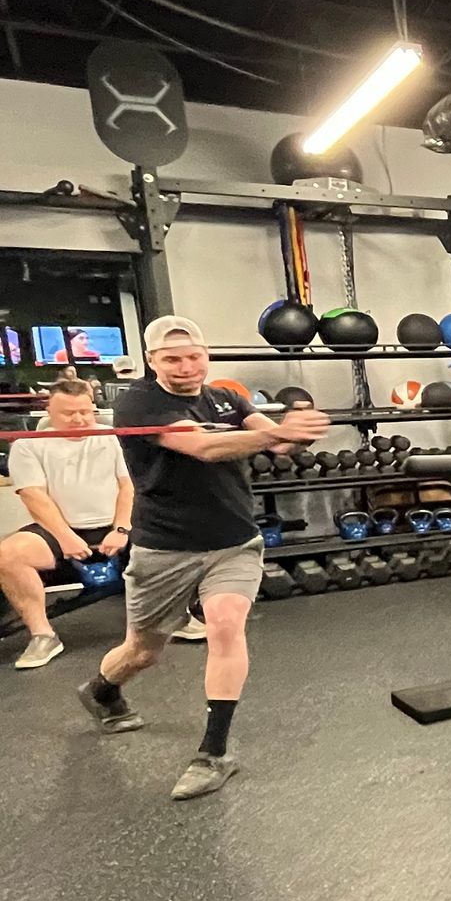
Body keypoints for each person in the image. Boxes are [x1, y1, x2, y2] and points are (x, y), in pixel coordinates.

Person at [78, 314, 330, 798]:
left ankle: (213, 753)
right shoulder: (138, 404)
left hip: (233, 542)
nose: (186, 366)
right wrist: (274, 433)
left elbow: (273, 442)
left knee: (225, 624)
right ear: (152, 361)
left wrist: (293, 432)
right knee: (143, 651)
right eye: (172, 359)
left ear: (205, 355)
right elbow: (205, 448)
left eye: (194, 356)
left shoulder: (225, 397)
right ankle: (103, 690)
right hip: (165, 548)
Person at [1, 376, 133, 668]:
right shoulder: (28, 445)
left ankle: (176, 618)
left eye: (85, 411)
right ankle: (43, 636)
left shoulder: (110, 436)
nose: (79, 419)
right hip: (60, 529)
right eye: (68, 413)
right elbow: (34, 497)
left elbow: (128, 486)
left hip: (114, 525)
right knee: (8, 555)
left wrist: (121, 528)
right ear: (50, 413)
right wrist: (65, 536)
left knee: (174, 539)